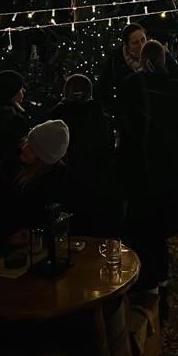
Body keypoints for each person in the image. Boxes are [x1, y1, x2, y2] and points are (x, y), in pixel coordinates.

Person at [121, 41, 178, 296]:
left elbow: (127, 123)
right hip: (167, 164)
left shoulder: (133, 85)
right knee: (158, 224)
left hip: (142, 162)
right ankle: (161, 276)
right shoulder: (175, 87)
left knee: (143, 224)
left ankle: (146, 278)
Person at [49, 75, 120, 236]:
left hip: (65, 176)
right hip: (92, 177)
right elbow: (107, 146)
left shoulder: (56, 113)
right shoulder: (98, 115)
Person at [0, 120, 70, 240]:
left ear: (43, 161)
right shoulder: (12, 160)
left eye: (32, 150)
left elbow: (42, 215)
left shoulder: (54, 178)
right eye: (28, 141)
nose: (24, 148)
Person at [96, 22, 148, 117]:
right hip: (127, 114)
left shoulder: (154, 52)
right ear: (127, 45)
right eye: (135, 43)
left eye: (143, 40)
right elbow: (103, 88)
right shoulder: (115, 60)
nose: (141, 45)